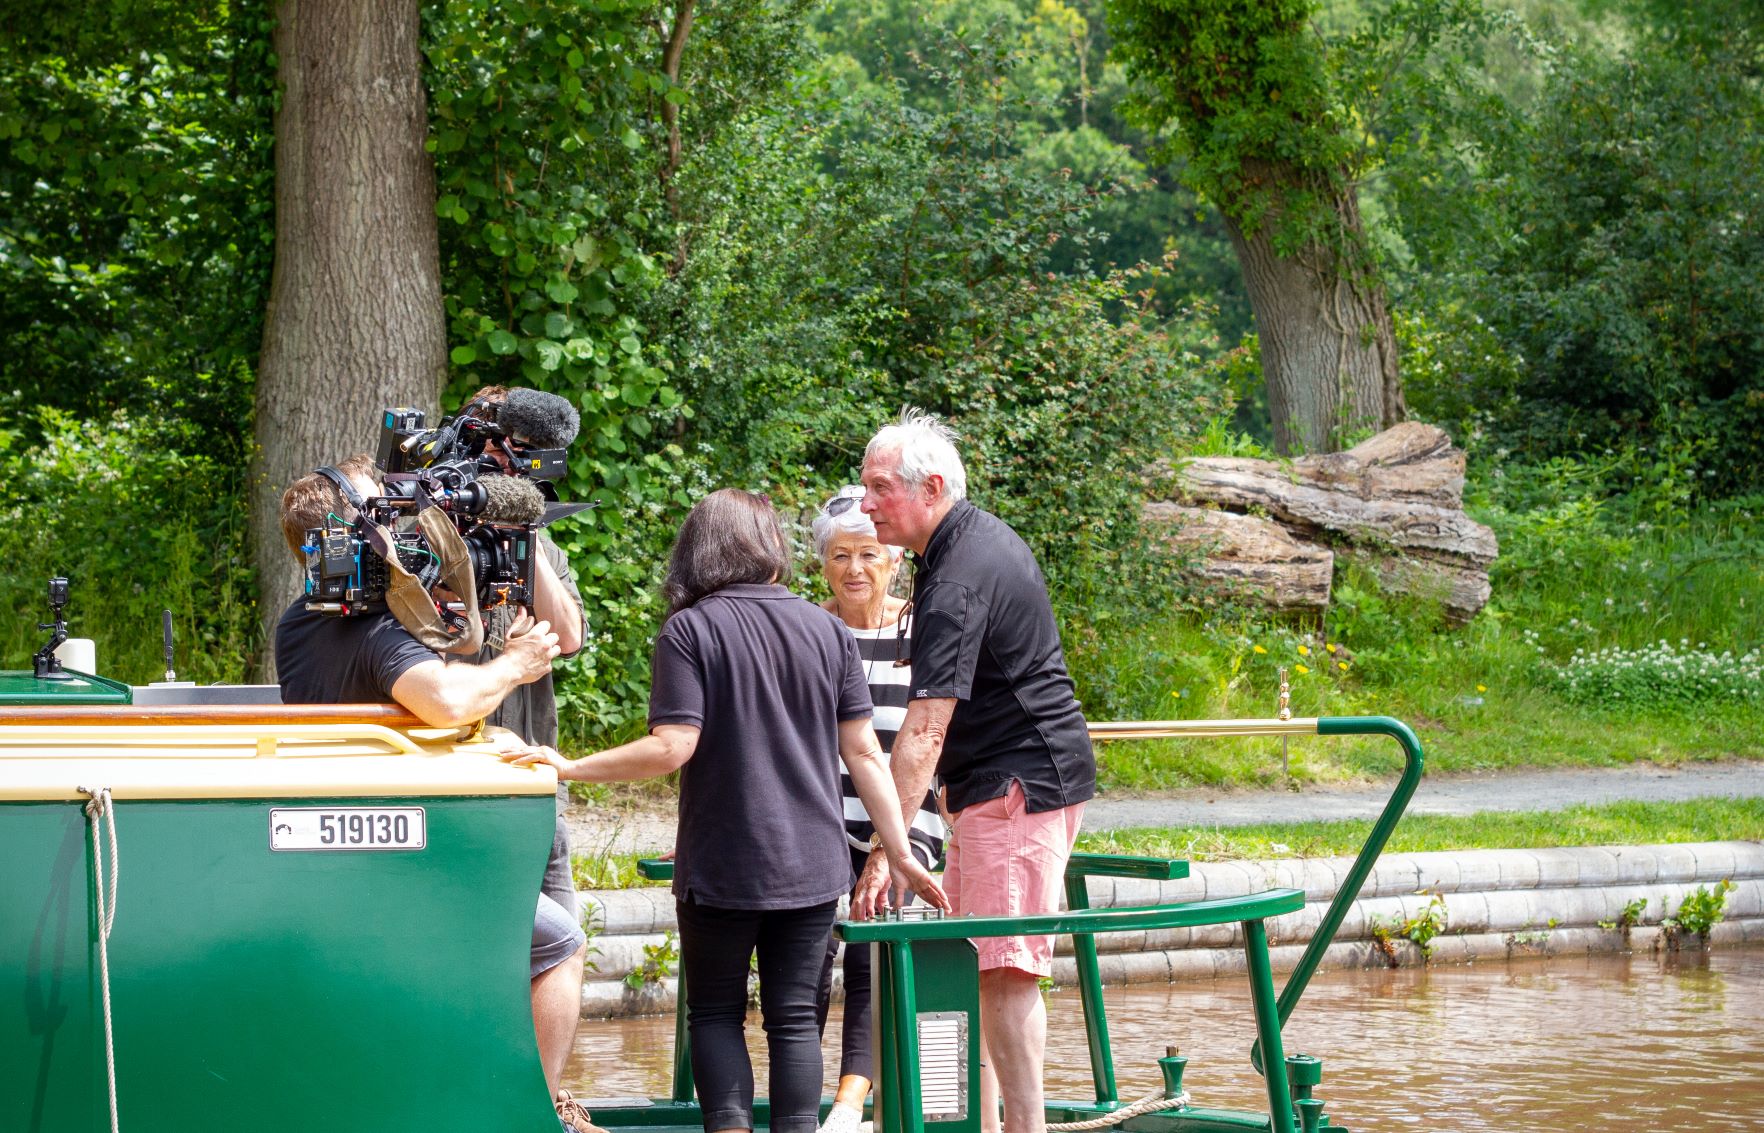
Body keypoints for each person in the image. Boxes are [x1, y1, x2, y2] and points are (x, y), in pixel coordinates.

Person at [504, 489, 950, 1133]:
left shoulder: (689, 630)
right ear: (771, 547)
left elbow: (671, 747)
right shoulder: (826, 629)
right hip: (812, 863)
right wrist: (900, 850)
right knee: (795, 1017)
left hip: (721, 862)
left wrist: (568, 765)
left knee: (715, 1013)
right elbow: (864, 753)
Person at [271, 455, 597, 1133]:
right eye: (380, 516)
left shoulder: (299, 622)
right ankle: (529, 1113)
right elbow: (446, 698)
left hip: (348, 849)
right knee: (560, 940)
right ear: (348, 538)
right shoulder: (370, 630)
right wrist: (516, 664)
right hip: (404, 856)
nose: (397, 527)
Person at [850, 410, 1095, 1133]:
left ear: (929, 487)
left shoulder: (959, 572)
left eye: (877, 488)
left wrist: (884, 850)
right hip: (1001, 783)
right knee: (977, 960)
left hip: (1017, 786)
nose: (865, 504)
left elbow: (924, 731)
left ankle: (1024, 1128)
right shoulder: (961, 544)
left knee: (1004, 966)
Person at [447, 384, 595, 1125]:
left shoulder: (542, 537)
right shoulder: (430, 537)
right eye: (498, 451)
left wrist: (524, 532)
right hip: (461, 789)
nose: (511, 467)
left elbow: (567, 634)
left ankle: (545, 1105)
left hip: (536, 781)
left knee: (560, 953)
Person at [808, 486, 946, 1133]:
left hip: (905, 822)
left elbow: (936, 737)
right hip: (818, 820)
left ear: (891, 558)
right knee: (805, 954)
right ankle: (798, 1096)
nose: (855, 568)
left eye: (868, 553)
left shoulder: (920, 630)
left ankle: (851, 1100)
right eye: (840, 555)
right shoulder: (809, 630)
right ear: (823, 563)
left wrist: (899, 846)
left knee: (872, 953)